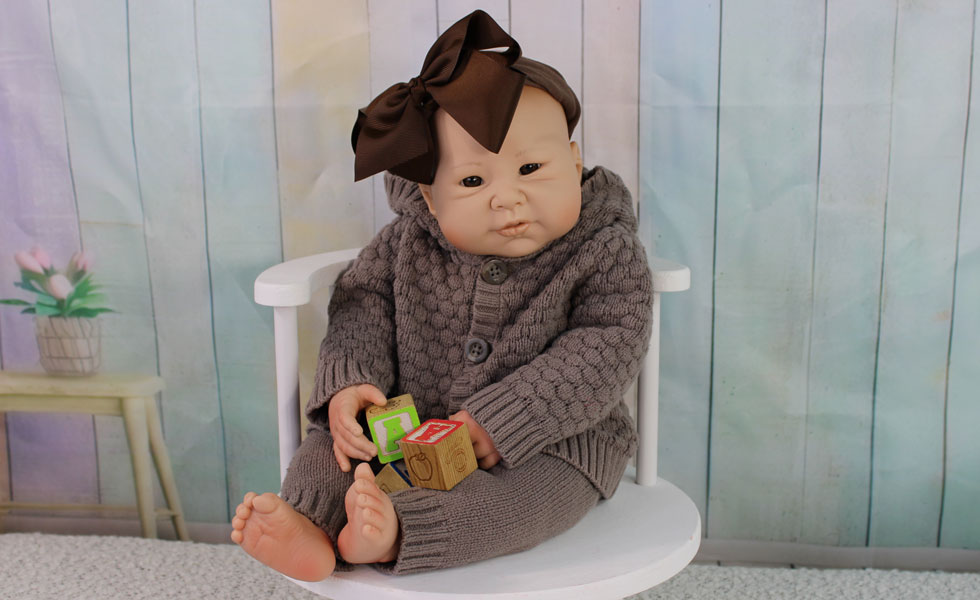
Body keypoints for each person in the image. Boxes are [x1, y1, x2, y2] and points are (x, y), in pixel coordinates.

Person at [231, 9, 652, 580]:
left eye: (531, 167)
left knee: (519, 503)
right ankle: (308, 522)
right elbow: (361, 308)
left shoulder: (604, 248)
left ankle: (398, 533)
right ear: (431, 198)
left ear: (574, 163)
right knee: (337, 448)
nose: (507, 198)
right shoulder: (406, 242)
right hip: (407, 425)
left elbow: (608, 346)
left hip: (550, 441)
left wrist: (506, 419)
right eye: (473, 181)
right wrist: (352, 383)